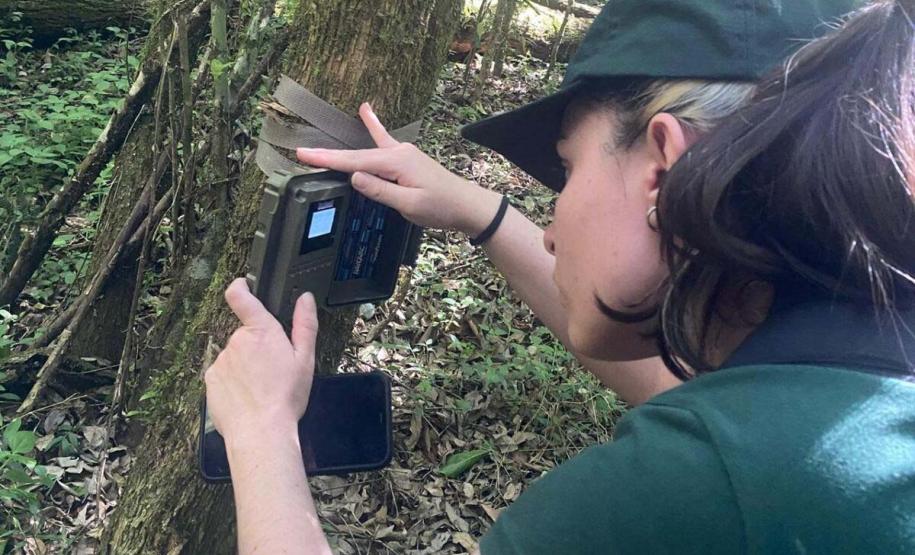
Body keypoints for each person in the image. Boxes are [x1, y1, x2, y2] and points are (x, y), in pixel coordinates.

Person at [203, 0, 915, 552]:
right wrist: (480, 213)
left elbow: (719, 459)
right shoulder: (857, 386)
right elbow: (703, 398)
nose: (551, 225)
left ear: (661, 168)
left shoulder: (688, 490)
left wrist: (262, 432)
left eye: (567, 171)